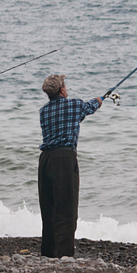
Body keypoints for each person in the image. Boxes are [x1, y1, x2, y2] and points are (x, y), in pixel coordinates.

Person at [36, 74, 104, 258]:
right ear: (62, 90)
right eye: (65, 86)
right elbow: (90, 107)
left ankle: (49, 253)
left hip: (45, 160)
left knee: (48, 207)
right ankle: (64, 255)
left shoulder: (43, 111)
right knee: (66, 208)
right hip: (64, 158)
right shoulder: (74, 105)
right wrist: (100, 99)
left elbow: (67, 121)